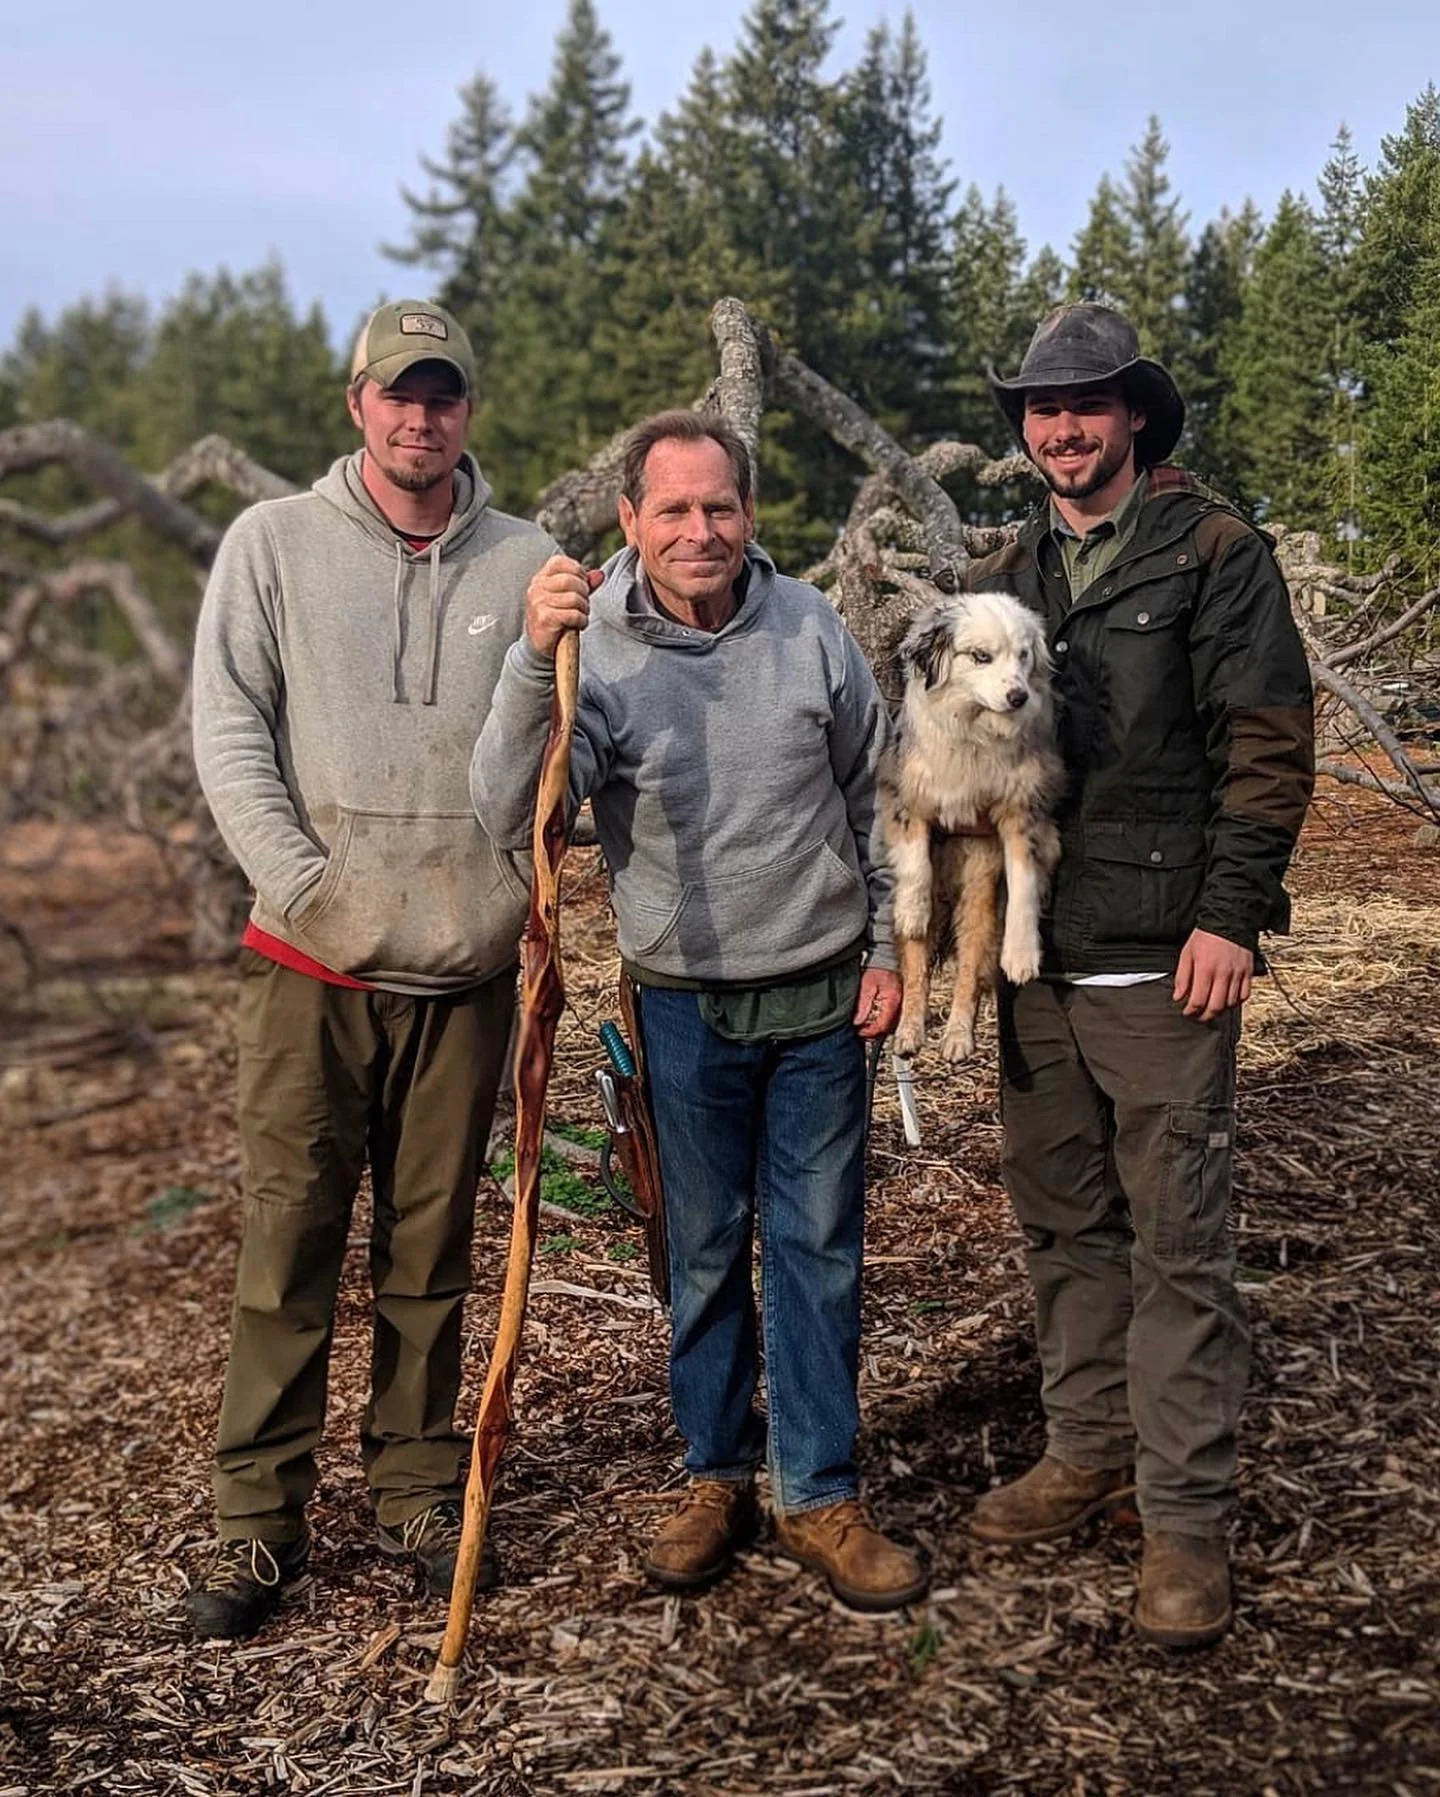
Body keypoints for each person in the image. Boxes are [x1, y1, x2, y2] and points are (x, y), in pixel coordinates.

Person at [471, 410, 928, 1613]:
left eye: (718, 506)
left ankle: (820, 1490)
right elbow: (510, 812)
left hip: (824, 995)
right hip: (680, 1007)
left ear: (750, 514)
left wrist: (887, 948)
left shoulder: (811, 626)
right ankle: (717, 1474)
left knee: (822, 1251)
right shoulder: (594, 651)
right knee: (707, 1252)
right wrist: (531, 662)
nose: (699, 530)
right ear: (631, 523)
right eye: (671, 510)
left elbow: (873, 797)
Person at [187, 300, 556, 1639]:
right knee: (288, 1247)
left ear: (469, 411)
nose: (422, 416)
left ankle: (412, 1488)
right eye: (400, 393)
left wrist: (513, 890)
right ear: (358, 403)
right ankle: (256, 1526)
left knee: (429, 1251)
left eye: (444, 394)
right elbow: (229, 725)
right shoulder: (273, 544)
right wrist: (301, 884)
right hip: (309, 967)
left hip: (462, 973)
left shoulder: (532, 562)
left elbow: (550, 754)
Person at [964, 303, 1315, 1646]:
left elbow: (1269, 742)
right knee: (1065, 1223)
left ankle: (1184, 1520)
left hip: (1166, 955)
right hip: (1032, 960)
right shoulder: (1005, 570)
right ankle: (1089, 1444)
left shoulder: (1216, 551)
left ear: (1135, 419)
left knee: (1178, 1245)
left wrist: (1233, 914)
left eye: (1088, 405)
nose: (1062, 428)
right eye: (1042, 410)